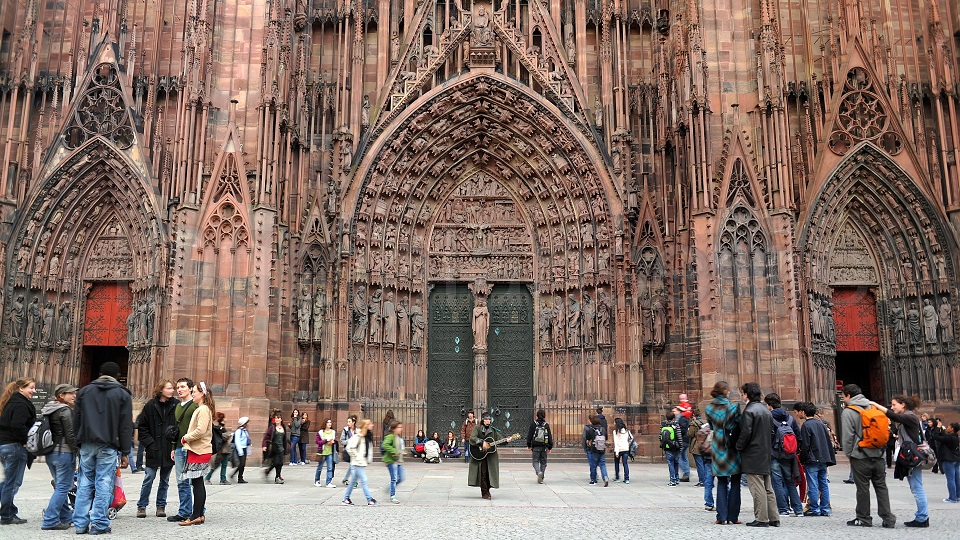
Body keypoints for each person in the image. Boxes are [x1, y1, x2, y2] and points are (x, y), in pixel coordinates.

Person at [73, 362, 133, 535]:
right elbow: (125, 426)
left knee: (84, 483)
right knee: (104, 483)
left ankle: (80, 523)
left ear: (99, 374)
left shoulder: (84, 392)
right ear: (117, 375)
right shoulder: (122, 394)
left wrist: (78, 442)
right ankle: (99, 523)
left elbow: (76, 419)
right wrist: (125, 451)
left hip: (87, 443)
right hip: (108, 445)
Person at [840, 383, 896, 528]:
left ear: (848, 395)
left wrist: (849, 454)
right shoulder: (874, 407)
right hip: (879, 454)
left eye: (843, 396)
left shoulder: (849, 411)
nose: (843, 399)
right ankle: (888, 518)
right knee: (881, 486)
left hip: (860, 455)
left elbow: (847, 437)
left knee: (863, 488)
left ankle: (864, 518)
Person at [870, 395, 928, 527]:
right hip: (909, 455)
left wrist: (876, 404)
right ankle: (922, 516)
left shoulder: (910, 416)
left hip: (913, 456)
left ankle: (922, 517)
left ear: (903, 405)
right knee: (916, 487)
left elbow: (894, 416)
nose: (892, 407)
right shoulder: (907, 418)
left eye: (894, 404)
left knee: (917, 487)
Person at [736, 382, 778, 527]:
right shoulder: (766, 410)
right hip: (765, 452)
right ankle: (774, 517)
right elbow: (772, 432)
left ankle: (761, 518)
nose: (741, 396)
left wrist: (738, 447)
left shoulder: (749, 411)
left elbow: (746, 433)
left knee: (757, 487)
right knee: (768, 486)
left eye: (742, 393)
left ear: (747, 395)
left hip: (753, 453)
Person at [135, 379, 175, 519]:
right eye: (169, 388)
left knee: (165, 480)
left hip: (168, 448)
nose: (172, 390)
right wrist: (150, 444)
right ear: (161, 390)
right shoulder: (150, 406)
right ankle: (142, 506)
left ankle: (160, 506)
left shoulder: (176, 405)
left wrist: (174, 443)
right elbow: (142, 427)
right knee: (149, 478)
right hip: (154, 448)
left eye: (172, 388)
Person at [40, 383, 78, 530]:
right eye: (70, 393)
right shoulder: (65, 410)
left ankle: (66, 517)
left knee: (60, 486)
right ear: (61, 395)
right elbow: (70, 434)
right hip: (64, 452)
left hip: (51, 452)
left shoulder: (49, 408)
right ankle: (50, 520)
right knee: (63, 487)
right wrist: (78, 450)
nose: (74, 395)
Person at [0, 378, 36, 526]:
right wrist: (26, 441)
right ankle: (7, 515)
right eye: (31, 388)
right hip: (15, 446)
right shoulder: (21, 404)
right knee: (13, 482)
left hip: (4, 445)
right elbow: (17, 426)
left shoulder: (8, 402)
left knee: (9, 480)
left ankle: (10, 510)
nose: (34, 391)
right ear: (21, 389)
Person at [178, 382, 214, 526]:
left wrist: (185, 438)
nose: (192, 394)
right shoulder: (202, 408)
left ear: (202, 394)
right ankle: (198, 515)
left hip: (200, 450)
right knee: (197, 483)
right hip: (198, 450)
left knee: (197, 484)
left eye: (194, 392)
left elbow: (200, 430)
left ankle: (195, 515)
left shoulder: (203, 409)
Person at [706, 381, 742, 525]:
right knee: (735, 481)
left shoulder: (709, 408)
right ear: (725, 391)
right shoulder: (733, 407)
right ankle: (733, 517)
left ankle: (721, 516)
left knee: (721, 481)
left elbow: (710, 426)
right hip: (732, 445)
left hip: (717, 445)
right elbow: (739, 424)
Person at [764, 393, 803, 517]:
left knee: (777, 482)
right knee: (790, 481)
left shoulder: (768, 417)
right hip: (789, 454)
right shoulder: (790, 418)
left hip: (774, 454)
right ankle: (798, 509)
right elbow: (799, 437)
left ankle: (783, 509)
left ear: (770, 405)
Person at [796, 401, 835, 516]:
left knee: (813, 484)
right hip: (823, 458)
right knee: (823, 483)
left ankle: (814, 508)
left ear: (803, 412)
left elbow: (805, 445)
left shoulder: (806, 425)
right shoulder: (821, 424)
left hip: (812, 459)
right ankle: (825, 509)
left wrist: (803, 458)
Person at [167, 377, 198, 522]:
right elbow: (177, 429)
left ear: (191, 388)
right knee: (181, 481)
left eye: (183, 387)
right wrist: (173, 447)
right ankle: (184, 511)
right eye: (178, 387)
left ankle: (198, 510)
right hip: (179, 448)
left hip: (192, 448)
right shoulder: (178, 406)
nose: (179, 389)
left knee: (195, 481)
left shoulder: (195, 405)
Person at [341, 418, 377, 506]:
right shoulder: (358, 436)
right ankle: (369, 499)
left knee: (353, 481)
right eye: (370, 424)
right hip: (357, 463)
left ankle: (346, 498)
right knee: (364, 480)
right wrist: (357, 457)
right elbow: (350, 448)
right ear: (366, 426)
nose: (372, 425)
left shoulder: (367, 436)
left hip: (361, 462)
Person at [469, 414, 500, 499]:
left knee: (489, 473)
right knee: (483, 473)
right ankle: (484, 492)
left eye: (489, 419)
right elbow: (472, 438)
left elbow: (499, 439)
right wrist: (482, 442)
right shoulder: (477, 428)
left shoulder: (493, 430)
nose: (488, 421)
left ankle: (488, 490)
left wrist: (507, 440)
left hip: (490, 456)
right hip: (480, 454)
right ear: (482, 420)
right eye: (486, 419)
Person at [930, 421, 960, 503]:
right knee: (957, 478)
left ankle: (952, 498)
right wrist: (942, 430)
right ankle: (957, 496)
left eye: (948, 427)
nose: (947, 428)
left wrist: (937, 428)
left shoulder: (949, 438)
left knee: (950, 479)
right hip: (956, 459)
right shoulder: (955, 437)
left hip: (949, 460)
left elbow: (936, 436)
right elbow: (944, 436)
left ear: (952, 429)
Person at [262, 410, 290, 484]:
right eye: (276, 418)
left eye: (278, 418)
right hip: (274, 448)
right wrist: (264, 445)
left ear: (281, 419)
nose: (277, 419)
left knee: (280, 463)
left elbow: (284, 438)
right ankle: (276, 476)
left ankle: (274, 475)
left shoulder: (283, 427)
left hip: (281, 448)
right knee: (276, 462)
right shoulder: (272, 427)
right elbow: (266, 437)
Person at [526, 409, 553, 484]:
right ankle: (542, 476)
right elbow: (549, 437)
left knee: (535, 461)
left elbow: (530, 435)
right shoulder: (546, 425)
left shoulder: (533, 424)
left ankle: (538, 473)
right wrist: (550, 447)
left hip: (535, 447)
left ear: (537, 415)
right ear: (544, 416)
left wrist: (529, 445)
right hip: (544, 447)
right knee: (543, 462)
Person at [583, 414, 609, 487]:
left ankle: (593, 480)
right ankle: (605, 477)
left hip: (594, 449)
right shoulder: (603, 429)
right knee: (603, 464)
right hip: (602, 449)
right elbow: (606, 437)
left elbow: (587, 438)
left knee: (593, 465)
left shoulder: (590, 429)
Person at [383, 420, 406, 503]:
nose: (401, 429)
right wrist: (394, 451)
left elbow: (401, 448)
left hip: (398, 461)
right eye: (399, 427)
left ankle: (389, 488)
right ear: (394, 429)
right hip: (391, 460)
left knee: (401, 478)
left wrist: (403, 452)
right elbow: (385, 445)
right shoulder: (390, 436)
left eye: (401, 427)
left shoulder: (399, 438)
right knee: (394, 478)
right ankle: (392, 496)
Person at [204, 412, 230, 485]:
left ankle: (223, 479)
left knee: (223, 465)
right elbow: (223, 437)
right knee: (216, 465)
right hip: (221, 449)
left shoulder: (220, 427)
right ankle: (208, 478)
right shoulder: (219, 427)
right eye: (224, 417)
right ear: (221, 419)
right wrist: (228, 435)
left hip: (224, 449)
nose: (226, 419)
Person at [660, 411, 682, 486]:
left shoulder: (663, 425)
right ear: (673, 417)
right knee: (676, 463)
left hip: (667, 447)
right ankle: (676, 479)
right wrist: (681, 446)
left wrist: (663, 444)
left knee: (670, 463)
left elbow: (660, 436)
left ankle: (672, 480)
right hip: (675, 446)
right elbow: (679, 436)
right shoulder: (676, 424)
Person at [314, 418, 337, 487]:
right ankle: (317, 480)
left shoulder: (333, 432)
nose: (329, 424)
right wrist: (325, 440)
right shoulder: (321, 432)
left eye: (330, 422)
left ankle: (328, 482)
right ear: (325, 424)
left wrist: (332, 442)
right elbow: (317, 442)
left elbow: (334, 441)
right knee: (320, 467)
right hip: (322, 452)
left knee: (330, 468)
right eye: (328, 422)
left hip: (329, 452)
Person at [230, 416, 252, 483]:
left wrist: (248, 450)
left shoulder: (245, 431)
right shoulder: (239, 431)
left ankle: (239, 477)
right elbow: (237, 442)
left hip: (244, 448)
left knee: (242, 464)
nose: (247, 425)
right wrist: (240, 451)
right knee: (241, 464)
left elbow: (246, 440)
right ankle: (237, 476)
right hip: (239, 449)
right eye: (246, 423)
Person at [673, 405, 691, 482]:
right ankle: (686, 473)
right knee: (684, 457)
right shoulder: (681, 418)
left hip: (682, 440)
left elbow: (683, 429)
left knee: (679, 457)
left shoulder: (681, 418)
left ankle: (686, 473)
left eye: (674, 411)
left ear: (678, 411)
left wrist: (676, 429)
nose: (673, 413)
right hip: (684, 440)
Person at [612, 418, 632, 484]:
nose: (613, 423)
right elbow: (630, 438)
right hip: (626, 449)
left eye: (614, 422)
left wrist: (617, 452)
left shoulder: (615, 432)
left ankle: (617, 477)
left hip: (619, 449)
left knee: (617, 463)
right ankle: (627, 479)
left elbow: (616, 442)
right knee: (625, 463)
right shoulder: (626, 431)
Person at [339, 415, 357, 485]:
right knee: (353, 466)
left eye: (349, 421)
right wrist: (349, 440)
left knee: (352, 466)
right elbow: (342, 441)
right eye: (347, 421)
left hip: (355, 451)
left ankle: (346, 479)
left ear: (353, 422)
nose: (348, 423)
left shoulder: (357, 430)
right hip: (348, 450)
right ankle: (354, 481)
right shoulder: (345, 430)